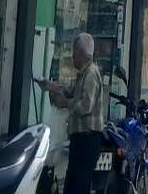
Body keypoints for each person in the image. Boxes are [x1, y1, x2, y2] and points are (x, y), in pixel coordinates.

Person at [40, 33, 103, 194]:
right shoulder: (83, 74)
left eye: (74, 52)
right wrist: (50, 86)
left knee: (79, 186)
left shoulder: (91, 73)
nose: (72, 56)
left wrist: (65, 104)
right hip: (79, 137)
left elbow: (86, 105)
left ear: (81, 53)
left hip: (87, 138)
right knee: (71, 184)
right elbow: (70, 92)